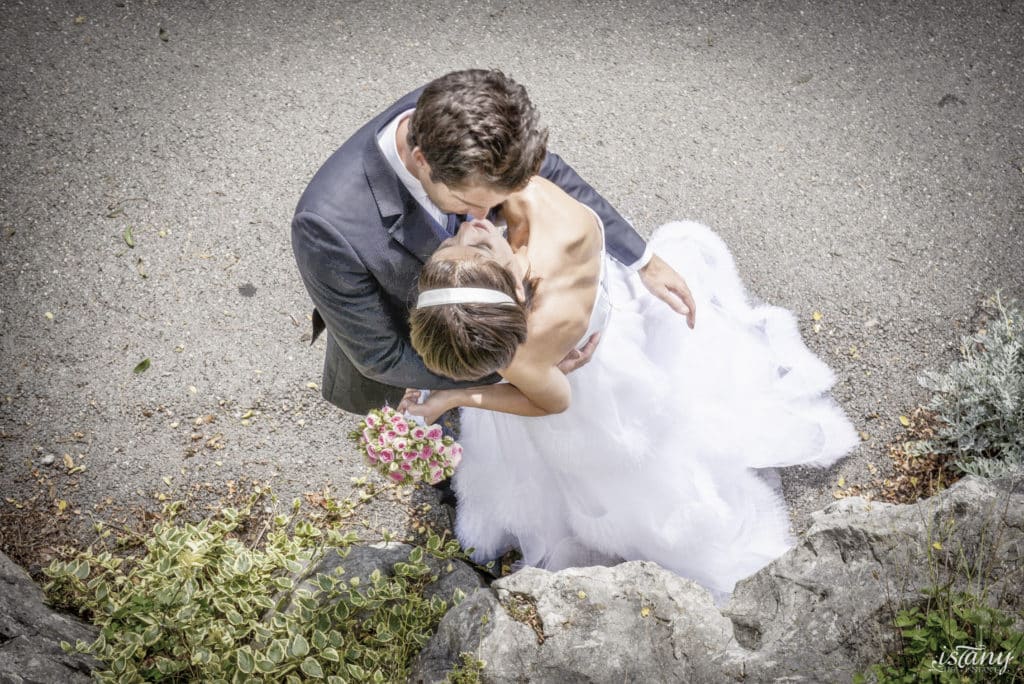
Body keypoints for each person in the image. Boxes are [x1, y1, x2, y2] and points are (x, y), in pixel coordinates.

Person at [402, 177, 859, 601]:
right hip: (609, 316)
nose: (465, 227)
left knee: (601, 485)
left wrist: (457, 395)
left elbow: (553, 401)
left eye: (459, 239)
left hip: (593, 396)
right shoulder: (536, 200)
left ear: (514, 303)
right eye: (460, 242)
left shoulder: (531, 347)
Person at [292, 69, 695, 415]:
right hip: (423, 349)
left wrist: (644, 260)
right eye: (469, 203)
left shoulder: (466, 110)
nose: (482, 220)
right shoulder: (327, 228)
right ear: (422, 160)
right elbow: (381, 356)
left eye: (494, 200)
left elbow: (545, 173)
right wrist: (514, 365)